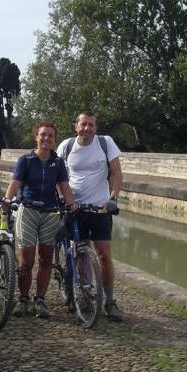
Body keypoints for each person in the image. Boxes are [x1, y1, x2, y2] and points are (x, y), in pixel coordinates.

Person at [57, 110, 124, 321]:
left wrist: (113, 197)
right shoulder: (66, 146)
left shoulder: (106, 143)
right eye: (83, 124)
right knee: (80, 253)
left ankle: (110, 301)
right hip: (75, 209)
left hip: (100, 209)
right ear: (76, 126)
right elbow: (59, 176)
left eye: (91, 125)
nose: (87, 128)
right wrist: (65, 198)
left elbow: (117, 172)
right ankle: (85, 294)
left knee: (104, 254)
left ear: (96, 127)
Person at [3, 122, 75, 319]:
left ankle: (40, 299)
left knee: (46, 260)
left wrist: (71, 204)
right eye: (43, 135)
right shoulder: (25, 160)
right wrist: (8, 199)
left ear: (54, 139)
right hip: (28, 211)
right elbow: (15, 182)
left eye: (50, 136)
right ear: (36, 137)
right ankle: (23, 299)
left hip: (50, 213)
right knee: (26, 261)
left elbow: (64, 186)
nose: (46, 139)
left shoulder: (58, 162)